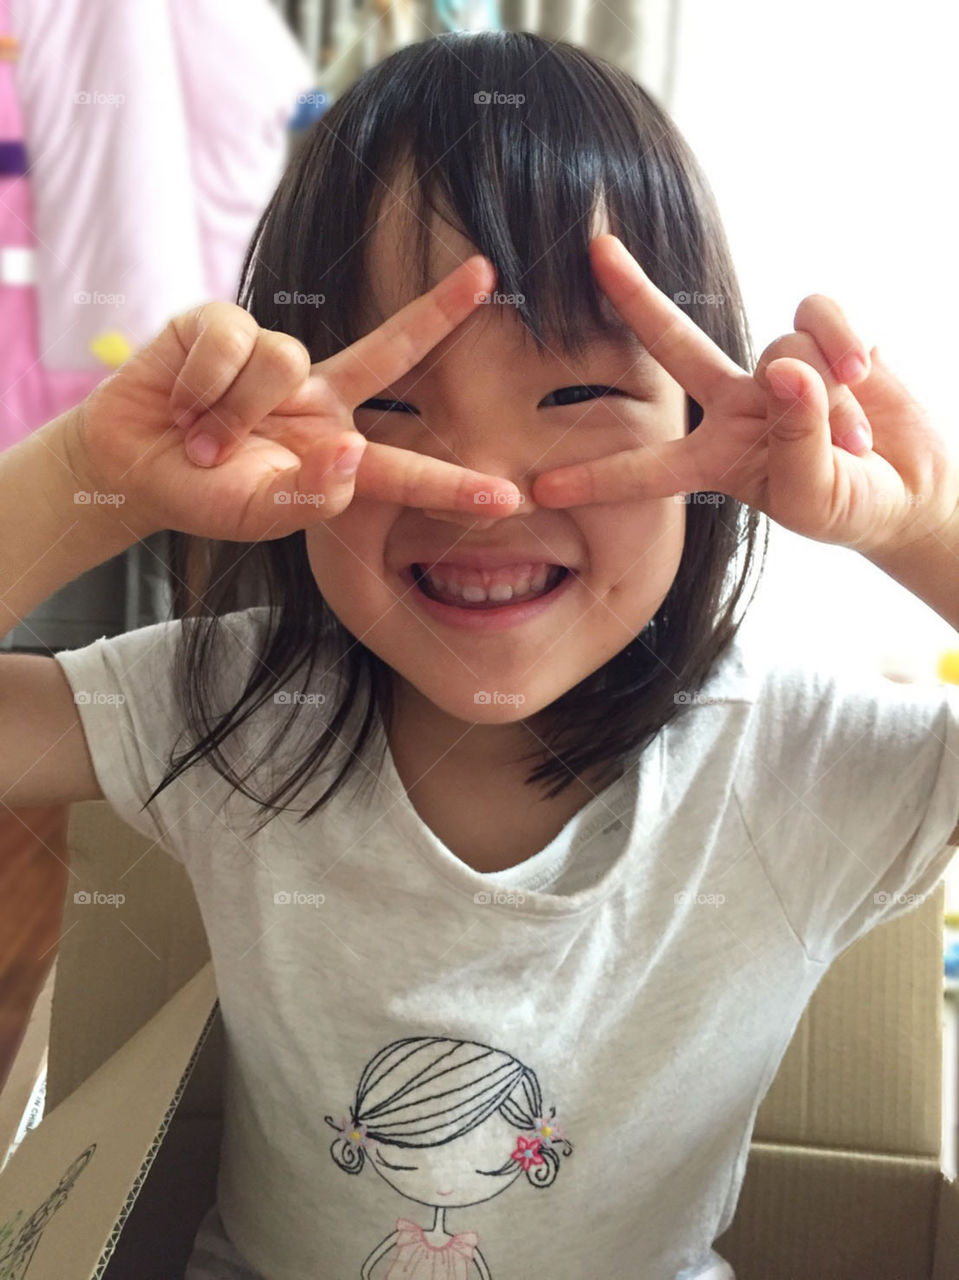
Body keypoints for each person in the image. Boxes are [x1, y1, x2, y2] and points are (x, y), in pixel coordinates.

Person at [3, 29, 957, 1280]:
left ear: (707, 435)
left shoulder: (790, 763)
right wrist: (87, 483)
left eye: (574, 398)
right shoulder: (232, 708)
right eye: (388, 406)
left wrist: (922, 523)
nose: (479, 496)